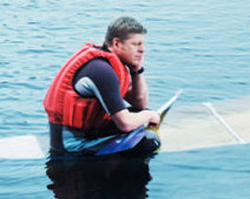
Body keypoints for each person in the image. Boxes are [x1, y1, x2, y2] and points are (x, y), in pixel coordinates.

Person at [43, 16, 161, 155]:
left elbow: (139, 103)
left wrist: (137, 70)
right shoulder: (101, 71)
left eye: (142, 45)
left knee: (138, 114)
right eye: (136, 44)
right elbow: (125, 123)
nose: (142, 50)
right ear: (116, 44)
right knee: (149, 141)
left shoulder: (111, 65)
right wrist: (150, 115)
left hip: (90, 132)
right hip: (71, 145)